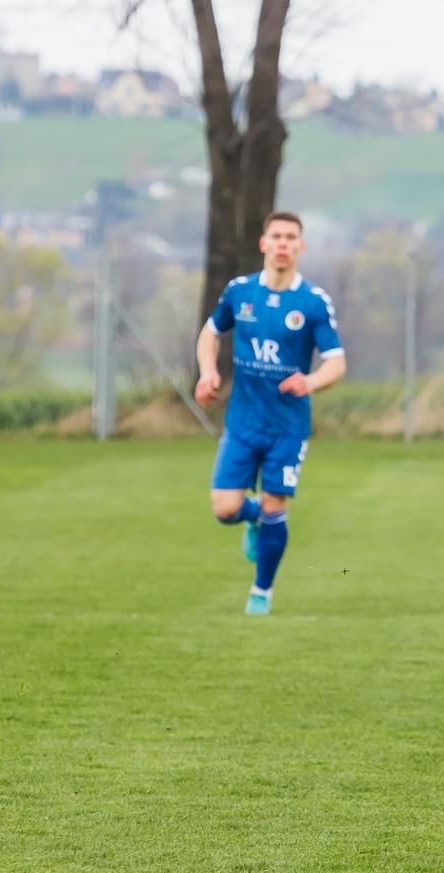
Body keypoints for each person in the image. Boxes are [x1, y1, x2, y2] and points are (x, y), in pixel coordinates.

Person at [195, 211, 345, 616]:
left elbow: (335, 361)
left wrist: (310, 382)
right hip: (243, 422)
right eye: (276, 236)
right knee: (224, 508)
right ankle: (253, 517)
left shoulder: (312, 302)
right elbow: (211, 332)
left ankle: (261, 592)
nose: (282, 243)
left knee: (276, 506)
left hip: (287, 428)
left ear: (300, 247)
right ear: (263, 243)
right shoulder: (240, 292)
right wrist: (209, 371)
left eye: (290, 237)